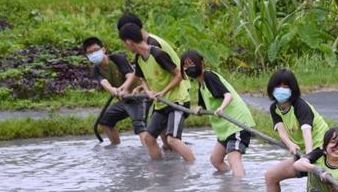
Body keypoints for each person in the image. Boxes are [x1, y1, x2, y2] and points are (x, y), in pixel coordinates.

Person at [118, 23, 195, 163]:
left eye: (124, 43)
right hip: (161, 104)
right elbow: (143, 78)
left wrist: (162, 92)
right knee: (148, 138)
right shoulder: (139, 59)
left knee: (173, 140)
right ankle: (159, 171)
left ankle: (192, 170)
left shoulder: (158, 54)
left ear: (129, 42)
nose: (125, 46)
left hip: (177, 101)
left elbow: (179, 75)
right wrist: (146, 90)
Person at [181, 49, 255, 177]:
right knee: (216, 160)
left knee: (233, 159)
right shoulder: (201, 83)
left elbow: (228, 96)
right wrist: (198, 109)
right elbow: (202, 104)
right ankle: (233, 180)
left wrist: (221, 108)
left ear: (201, 63)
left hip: (237, 124)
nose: (189, 68)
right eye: (185, 66)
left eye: (191, 64)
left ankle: (240, 189)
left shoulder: (209, 76)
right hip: (225, 129)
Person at [263, 69, 330, 192]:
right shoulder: (274, 108)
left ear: (292, 89)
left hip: (320, 150)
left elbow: (307, 131)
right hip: (302, 154)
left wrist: (308, 157)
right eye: (278, 86)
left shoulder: (300, 106)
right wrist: (290, 144)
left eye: (285, 86)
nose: (281, 89)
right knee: (270, 176)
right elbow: (281, 131)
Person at [82, 36, 146, 145]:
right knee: (105, 121)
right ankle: (115, 149)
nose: (94, 54)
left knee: (139, 125)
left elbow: (130, 76)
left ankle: (149, 153)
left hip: (138, 96)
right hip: (124, 100)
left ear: (103, 49)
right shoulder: (96, 70)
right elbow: (104, 83)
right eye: (90, 53)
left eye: (96, 50)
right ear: (87, 56)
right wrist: (112, 90)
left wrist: (124, 89)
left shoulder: (117, 59)